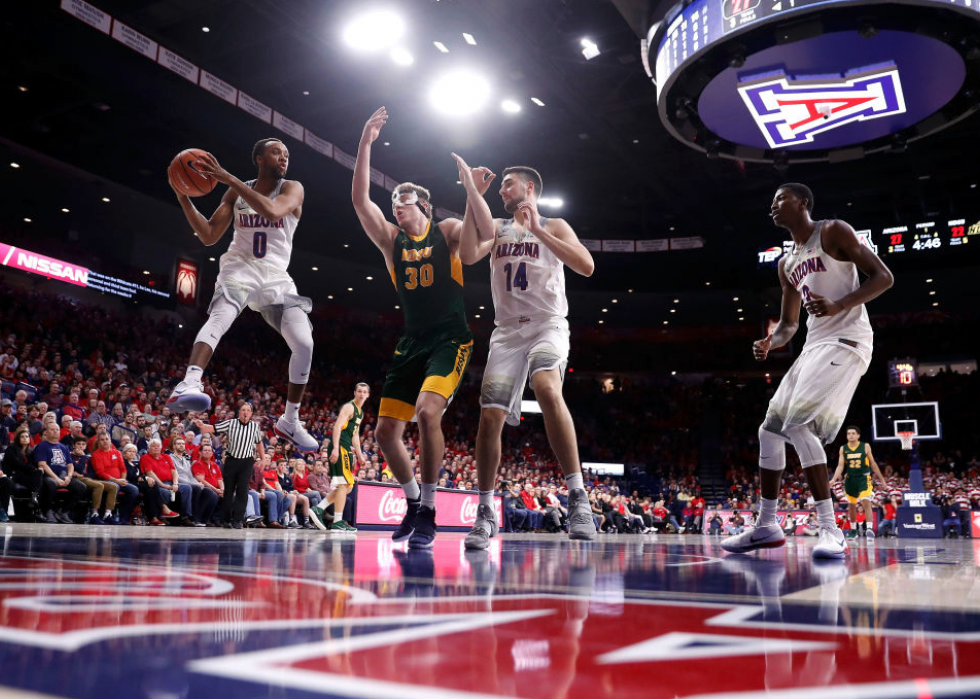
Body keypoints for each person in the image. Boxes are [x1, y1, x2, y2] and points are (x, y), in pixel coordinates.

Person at [721, 183, 893, 560]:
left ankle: (832, 531)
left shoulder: (832, 231)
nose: (772, 206)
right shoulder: (786, 263)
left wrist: (840, 304)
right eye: (771, 202)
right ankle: (767, 526)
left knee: (799, 425)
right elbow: (788, 324)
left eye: (779, 199)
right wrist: (771, 341)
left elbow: (883, 277)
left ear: (802, 203)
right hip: (813, 347)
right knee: (768, 430)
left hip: (848, 341)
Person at [452, 156, 596, 549]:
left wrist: (538, 231)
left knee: (547, 388)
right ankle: (484, 512)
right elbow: (466, 255)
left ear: (529, 188)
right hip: (506, 334)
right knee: (489, 416)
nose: (501, 189)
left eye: (508, 184)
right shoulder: (496, 227)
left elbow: (586, 266)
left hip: (547, 325)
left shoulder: (554, 225)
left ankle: (578, 497)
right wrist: (471, 193)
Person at [352, 107, 473, 549]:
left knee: (426, 413)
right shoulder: (391, 241)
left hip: (450, 339)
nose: (394, 208)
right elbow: (360, 202)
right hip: (412, 341)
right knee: (385, 433)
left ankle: (430, 511)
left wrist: (472, 192)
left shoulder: (447, 230)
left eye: (400, 202)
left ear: (419, 204)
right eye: (393, 204)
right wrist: (365, 144)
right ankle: (411, 502)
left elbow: (477, 234)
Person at [165, 139, 317, 452]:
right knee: (221, 316)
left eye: (286, 154)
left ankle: (290, 420)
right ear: (259, 158)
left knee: (304, 343)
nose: (284, 157)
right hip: (240, 269)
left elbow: (273, 211)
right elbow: (209, 235)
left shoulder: (293, 188)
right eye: (277, 152)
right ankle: (190, 381)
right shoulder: (236, 191)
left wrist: (228, 177)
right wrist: (183, 197)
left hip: (275, 277)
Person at [309, 383, 369, 532]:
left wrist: (360, 455)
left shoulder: (360, 413)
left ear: (368, 395)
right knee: (343, 485)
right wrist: (335, 448)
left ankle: (319, 509)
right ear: (354, 392)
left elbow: (355, 434)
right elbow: (337, 427)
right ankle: (337, 522)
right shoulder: (349, 407)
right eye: (359, 391)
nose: (361, 394)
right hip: (339, 446)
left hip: (347, 447)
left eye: (364, 392)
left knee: (347, 487)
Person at [195, 403, 265, 529]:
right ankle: (226, 520)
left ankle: (237, 520)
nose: (245, 412)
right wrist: (202, 425)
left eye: (248, 410)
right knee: (228, 491)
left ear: (251, 413)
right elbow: (213, 428)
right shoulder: (231, 423)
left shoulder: (255, 426)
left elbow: (259, 443)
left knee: (243, 492)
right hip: (232, 460)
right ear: (239, 412)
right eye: (243, 410)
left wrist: (263, 459)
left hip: (246, 461)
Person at [830, 425, 886, 540]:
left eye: (853, 433)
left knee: (866, 502)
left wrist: (882, 480)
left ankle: (869, 528)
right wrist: (833, 479)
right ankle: (853, 530)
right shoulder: (843, 448)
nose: (850, 435)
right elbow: (840, 466)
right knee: (851, 505)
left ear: (858, 435)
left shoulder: (865, 446)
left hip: (863, 479)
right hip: (850, 479)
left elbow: (873, 464)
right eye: (848, 433)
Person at [34, 422, 88, 523]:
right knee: (52, 484)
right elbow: (42, 464)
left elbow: (70, 465)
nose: (55, 431)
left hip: (64, 477)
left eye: (57, 430)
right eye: (52, 429)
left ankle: (63, 511)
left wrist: (69, 476)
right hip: (48, 476)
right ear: (46, 432)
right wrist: (57, 478)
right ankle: (47, 510)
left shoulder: (63, 447)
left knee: (81, 487)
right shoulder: (42, 446)